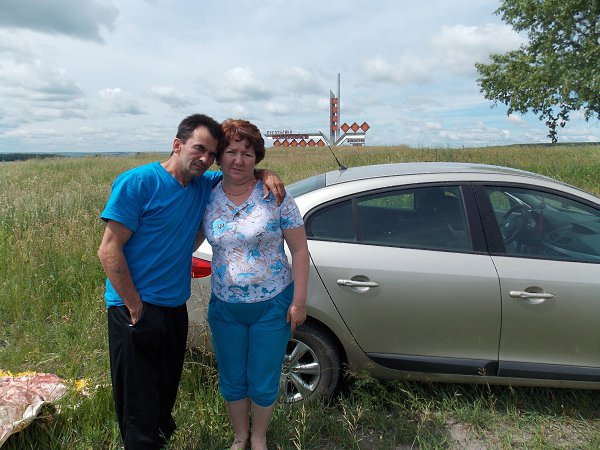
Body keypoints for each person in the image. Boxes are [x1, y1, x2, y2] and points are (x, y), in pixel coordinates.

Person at [97, 113, 285, 450]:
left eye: (211, 153)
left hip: (173, 308)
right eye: (198, 149)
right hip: (134, 309)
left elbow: (238, 169)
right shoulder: (137, 183)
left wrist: (265, 172)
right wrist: (134, 305)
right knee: (137, 401)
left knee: (164, 392)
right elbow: (108, 250)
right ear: (177, 144)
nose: (204, 158)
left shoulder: (201, 184)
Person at [202, 119, 309, 450]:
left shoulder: (275, 194)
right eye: (231, 151)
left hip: (273, 304)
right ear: (219, 156)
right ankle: (240, 436)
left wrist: (299, 302)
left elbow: (300, 251)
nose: (239, 160)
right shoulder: (205, 193)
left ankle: (259, 437)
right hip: (225, 307)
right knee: (233, 378)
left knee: (263, 378)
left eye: (247, 153)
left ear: (257, 158)